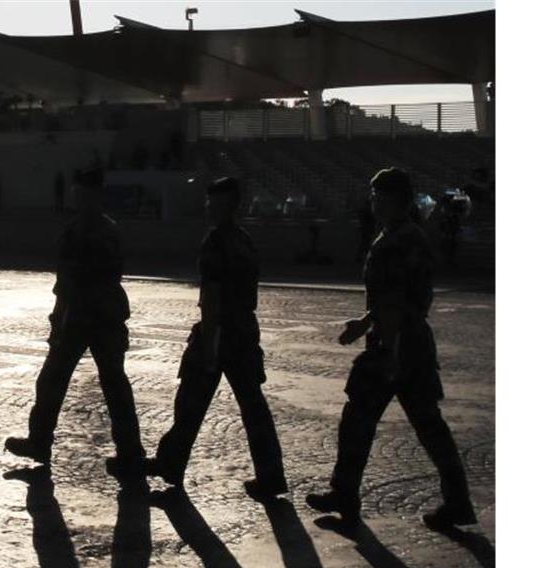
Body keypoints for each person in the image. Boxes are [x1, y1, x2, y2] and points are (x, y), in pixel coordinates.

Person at [307, 168, 476, 530]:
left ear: (397, 199)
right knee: (410, 424)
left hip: (398, 346)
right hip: (399, 342)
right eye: (373, 195)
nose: (373, 201)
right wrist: (364, 324)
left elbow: (400, 302)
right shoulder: (397, 235)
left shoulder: (403, 240)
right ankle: (453, 501)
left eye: (378, 195)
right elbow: (387, 297)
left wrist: (392, 353)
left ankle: (348, 493)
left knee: (380, 421)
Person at [145, 177, 287, 501]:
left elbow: (212, 296)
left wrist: (209, 345)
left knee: (190, 401)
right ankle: (271, 475)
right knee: (254, 409)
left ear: (226, 205)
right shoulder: (244, 240)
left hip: (220, 331)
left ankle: (170, 462)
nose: (208, 207)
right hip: (244, 331)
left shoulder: (216, 241)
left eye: (213, 202)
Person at [5, 167, 146, 481]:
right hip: (102, 317)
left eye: (81, 193)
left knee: (57, 380)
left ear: (92, 195)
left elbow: (68, 281)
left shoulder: (82, 231)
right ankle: (130, 454)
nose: (77, 198)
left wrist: (59, 319)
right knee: (111, 387)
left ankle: (41, 442)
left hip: (84, 317)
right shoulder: (107, 229)